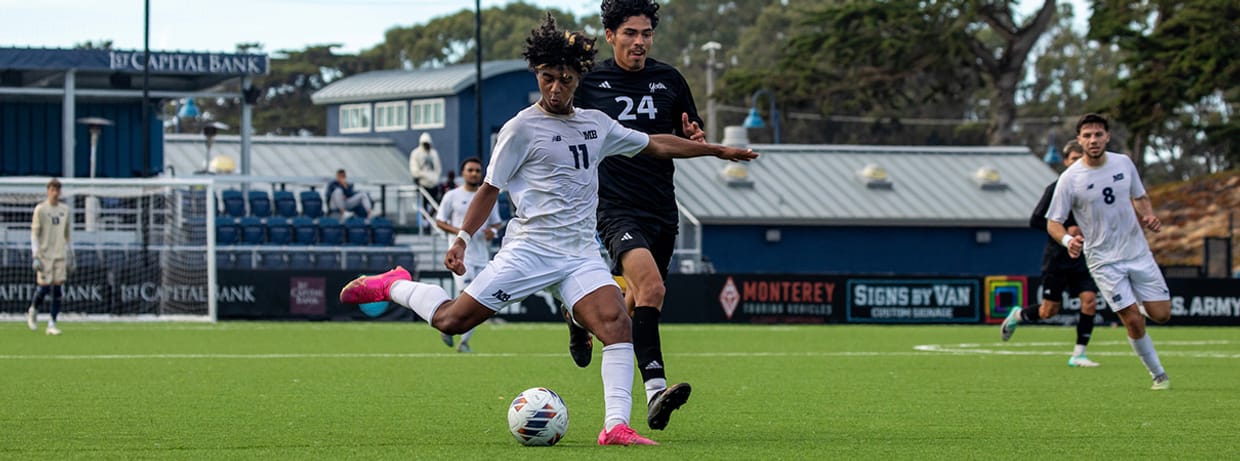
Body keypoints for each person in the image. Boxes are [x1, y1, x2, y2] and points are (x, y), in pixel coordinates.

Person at [339, 13, 757, 445]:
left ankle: (615, 426)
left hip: (579, 253)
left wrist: (714, 150)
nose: (556, 89)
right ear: (537, 75)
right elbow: (488, 189)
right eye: (547, 78)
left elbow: (655, 143)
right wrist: (462, 238)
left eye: (566, 79)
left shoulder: (597, 125)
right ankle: (393, 285)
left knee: (616, 325)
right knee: (451, 321)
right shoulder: (520, 129)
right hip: (529, 251)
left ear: (579, 79)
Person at [569, 0, 705, 431]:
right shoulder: (590, 82)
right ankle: (654, 391)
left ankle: (576, 317)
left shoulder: (669, 80)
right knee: (652, 286)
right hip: (613, 206)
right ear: (610, 35)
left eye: (646, 33)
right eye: (630, 33)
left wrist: (696, 135)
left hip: (662, 208)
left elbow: (688, 130)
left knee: (635, 300)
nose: (639, 42)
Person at [1045, 113, 1172, 390]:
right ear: (1079, 140)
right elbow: (1053, 222)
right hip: (1104, 261)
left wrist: (1147, 216)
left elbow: (1140, 196)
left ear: (1107, 137)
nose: (1093, 140)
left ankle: (1137, 305)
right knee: (1134, 322)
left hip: (1137, 252)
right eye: (1087, 135)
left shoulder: (1123, 163)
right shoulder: (1070, 178)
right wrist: (1068, 241)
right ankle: (1158, 375)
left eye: (1098, 134)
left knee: (1162, 314)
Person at [1001, 140, 1101, 368]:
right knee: (1049, 311)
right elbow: (1036, 220)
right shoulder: (1056, 188)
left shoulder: (1092, 188)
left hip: (1080, 259)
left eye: (1081, 159)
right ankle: (1017, 316)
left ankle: (1079, 355)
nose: (1078, 164)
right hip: (1057, 260)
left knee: (1090, 301)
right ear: (1066, 162)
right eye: (1074, 160)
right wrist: (1065, 231)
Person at [434, 157, 504, 353]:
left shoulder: (488, 195)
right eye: (470, 170)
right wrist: (460, 232)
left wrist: (494, 231)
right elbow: (439, 221)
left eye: (477, 170)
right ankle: (458, 335)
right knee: (468, 296)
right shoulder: (452, 196)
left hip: (482, 256)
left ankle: (450, 324)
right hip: (461, 257)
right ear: (463, 173)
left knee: (478, 301)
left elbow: (496, 223)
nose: (474, 173)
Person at [27, 178, 73, 336]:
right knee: (44, 287)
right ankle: (33, 309)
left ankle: (52, 323)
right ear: (48, 191)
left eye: (57, 190)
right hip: (44, 255)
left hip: (59, 254)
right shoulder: (40, 209)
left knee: (58, 289)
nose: (55, 193)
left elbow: (67, 234)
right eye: (52, 190)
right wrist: (35, 255)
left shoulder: (65, 210)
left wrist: (70, 252)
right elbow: (34, 233)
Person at [409, 132, 444, 209]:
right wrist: (425, 176)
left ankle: (431, 219)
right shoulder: (416, 153)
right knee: (423, 206)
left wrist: (435, 178)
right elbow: (414, 170)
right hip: (423, 185)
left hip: (434, 184)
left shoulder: (434, 153)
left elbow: (438, 168)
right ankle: (424, 219)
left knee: (436, 205)